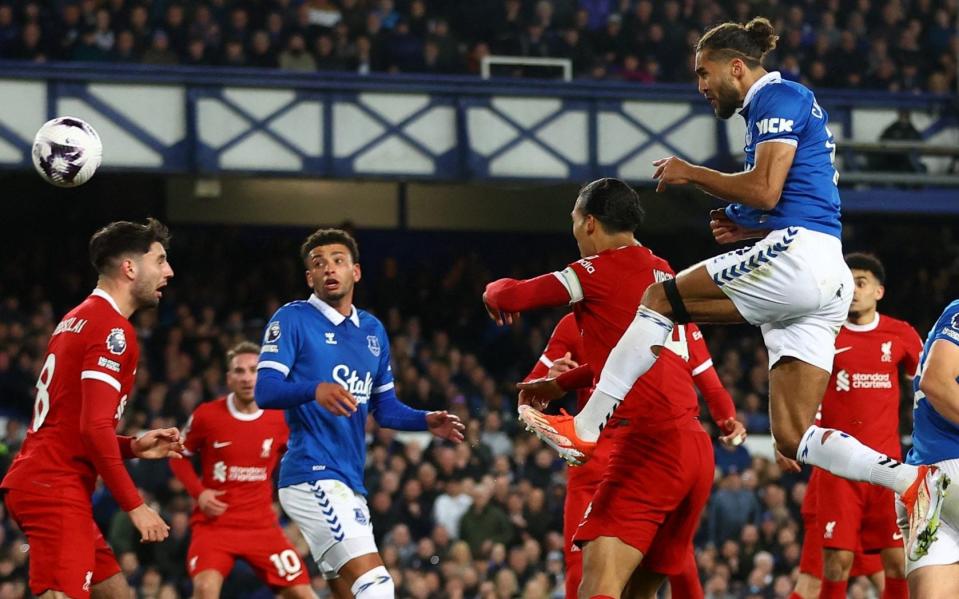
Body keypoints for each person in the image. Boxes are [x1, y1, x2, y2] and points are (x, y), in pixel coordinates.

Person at [484, 178, 718, 598]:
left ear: (589, 223)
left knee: (597, 585)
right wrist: (564, 383)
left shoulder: (591, 271)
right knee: (641, 591)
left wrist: (491, 290)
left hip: (647, 445)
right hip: (695, 447)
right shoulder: (662, 269)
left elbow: (512, 296)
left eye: (574, 219)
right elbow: (640, 359)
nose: (573, 230)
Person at [254, 228, 465, 599]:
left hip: (350, 483)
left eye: (338, 261)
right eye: (318, 264)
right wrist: (313, 389)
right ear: (310, 277)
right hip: (312, 473)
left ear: (356, 271)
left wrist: (424, 420)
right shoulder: (292, 319)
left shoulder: (372, 330)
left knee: (350, 593)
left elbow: (383, 409)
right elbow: (265, 391)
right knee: (378, 585)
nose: (329, 269)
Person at [1, 219, 182, 598]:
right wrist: (135, 506)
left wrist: (133, 446)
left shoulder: (77, 318)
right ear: (129, 268)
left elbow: (72, 426)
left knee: (117, 594)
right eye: (160, 260)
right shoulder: (110, 329)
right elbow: (93, 430)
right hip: (54, 486)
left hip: (49, 479)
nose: (169, 271)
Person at [524, 312, 744, 599]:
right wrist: (551, 378)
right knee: (588, 569)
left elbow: (710, 385)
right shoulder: (575, 322)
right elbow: (532, 387)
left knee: (669, 568)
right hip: (597, 458)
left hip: (647, 455)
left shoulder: (675, 323)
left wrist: (728, 419)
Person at [800, 299, 959, 596]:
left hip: (923, 479)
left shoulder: (912, 330)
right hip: (947, 467)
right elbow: (935, 382)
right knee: (835, 563)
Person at [790, 253, 921, 599]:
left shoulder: (901, 335)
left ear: (879, 291)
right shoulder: (824, 335)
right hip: (838, 470)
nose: (853, 291)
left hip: (888, 466)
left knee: (897, 564)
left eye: (861, 283)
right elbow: (806, 394)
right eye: (848, 283)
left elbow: (924, 388)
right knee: (835, 565)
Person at [169, 342, 315, 599]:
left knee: (304, 593)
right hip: (215, 526)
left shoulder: (280, 417)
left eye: (253, 370)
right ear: (229, 378)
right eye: (239, 371)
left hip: (261, 526)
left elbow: (300, 457)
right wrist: (199, 493)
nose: (247, 378)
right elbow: (178, 455)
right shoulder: (207, 415)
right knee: (204, 590)